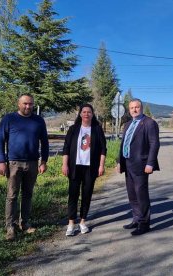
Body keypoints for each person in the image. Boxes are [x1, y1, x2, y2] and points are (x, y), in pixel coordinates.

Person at [0, 94, 49, 241]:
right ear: (18, 104)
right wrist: (1, 161)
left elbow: (44, 142)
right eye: (25, 104)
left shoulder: (38, 121)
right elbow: (0, 140)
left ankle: (24, 224)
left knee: (28, 194)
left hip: (32, 163)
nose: (28, 106)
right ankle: (10, 227)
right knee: (12, 196)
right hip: (13, 163)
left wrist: (43, 161)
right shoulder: (9, 119)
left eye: (31, 104)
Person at [116, 98, 160, 236]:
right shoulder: (127, 124)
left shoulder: (149, 123)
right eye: (131, 108)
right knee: (132, 195)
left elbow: (154, 144)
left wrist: (150, 163)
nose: (134, 110)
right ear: (129, 110)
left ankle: (144, 224)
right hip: (127, 164)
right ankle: (136, 219)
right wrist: (119, 161)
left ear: (141, 108)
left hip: (141, 165)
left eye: (136, 107)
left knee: (141, 195)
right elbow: (123, 144)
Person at [62, 103, 107, 236]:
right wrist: (65, 165)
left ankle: (82, 221)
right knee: (73, 194)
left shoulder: (97, 129)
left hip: (90, 168)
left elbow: (103, 149)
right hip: (74, 167)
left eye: (89, 112)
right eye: (84, 111)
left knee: (87, 195)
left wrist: (101, 165)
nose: (86, 114)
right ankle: (71, 223)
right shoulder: (73, 129)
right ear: (80, 114)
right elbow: (66, 148)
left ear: (92, 114)